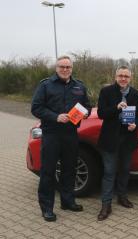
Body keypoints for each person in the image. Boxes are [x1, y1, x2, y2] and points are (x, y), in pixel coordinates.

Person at [31, 55, 91, 222]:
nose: (65, 70)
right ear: (56, 68)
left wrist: (85, 113)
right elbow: (36, 108)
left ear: (72, 69)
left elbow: (87, 105)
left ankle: (68, 201)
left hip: (70, 134)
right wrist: (55, 117)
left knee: (69, 170)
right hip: (51, 134)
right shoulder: (46, 85)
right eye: (62, 67)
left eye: (68, 67)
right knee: (48, 172)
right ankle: (47, 208)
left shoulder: (79, 86)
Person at [96, 66, 138, 221]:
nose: (123, 78)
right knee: (109, 172)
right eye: (120, 76)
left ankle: (122, 197)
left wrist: (135, 123)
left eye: (126, 76)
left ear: (130, 78)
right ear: (115, 76)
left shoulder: (135, 93)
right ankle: (106, 204)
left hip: (127, 138)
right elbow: (101, 113)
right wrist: (116, 108)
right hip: (110, 138)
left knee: (124, 170)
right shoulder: (107, 92)